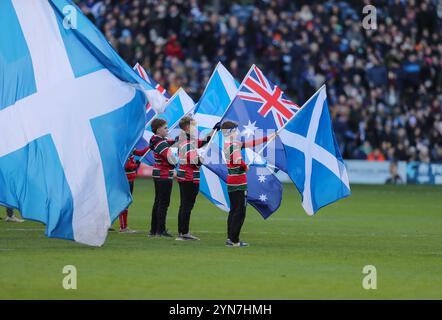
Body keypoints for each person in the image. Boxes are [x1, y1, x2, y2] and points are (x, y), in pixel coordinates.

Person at [221, 121, 271, 247]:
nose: (238, 131)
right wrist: (245, 166)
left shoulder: (229, 144)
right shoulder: (233, 146)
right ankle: (234, 240)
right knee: (240, 211)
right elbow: (238, 160)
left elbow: (250, 144)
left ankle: (230, 237)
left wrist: (267, 138)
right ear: (230, 132)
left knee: (233, 210)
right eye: (236, 129)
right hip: (238, 182)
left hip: (232, 181)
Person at [175, 116, 221, 241]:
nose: (196, 128)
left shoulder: (190, 141)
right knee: (186, 205)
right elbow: (194, 160)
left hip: (190, 177)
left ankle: (183, 231)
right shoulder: (186, 142)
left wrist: (214, 130)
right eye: (194, 125)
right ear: (187, 127)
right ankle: (183, 233)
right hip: (188, 178)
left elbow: (204, 141)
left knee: (186, 205)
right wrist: (201, 159)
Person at [148, 118, 178, 237]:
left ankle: (154, 230)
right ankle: (161, 230)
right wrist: (175, 164)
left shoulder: (155, 140)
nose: (167, 129)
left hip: (158, 173)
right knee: (163, 203)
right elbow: (169, 157)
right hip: (164, 175)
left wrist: (173, 142)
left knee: (158, 202)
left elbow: (166, 145)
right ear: (158, 129)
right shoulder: (161, 142)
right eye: (165, 128)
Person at [119, 144, 150, 233]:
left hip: (131, 179)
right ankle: (123, 227)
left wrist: (150, 147)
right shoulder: (124, 149)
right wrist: (135, 165)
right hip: (126, 179)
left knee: (127, 202)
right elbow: (126, 165)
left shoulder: (130, 147)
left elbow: (140, 153)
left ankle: (124, 226)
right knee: (125, 202)